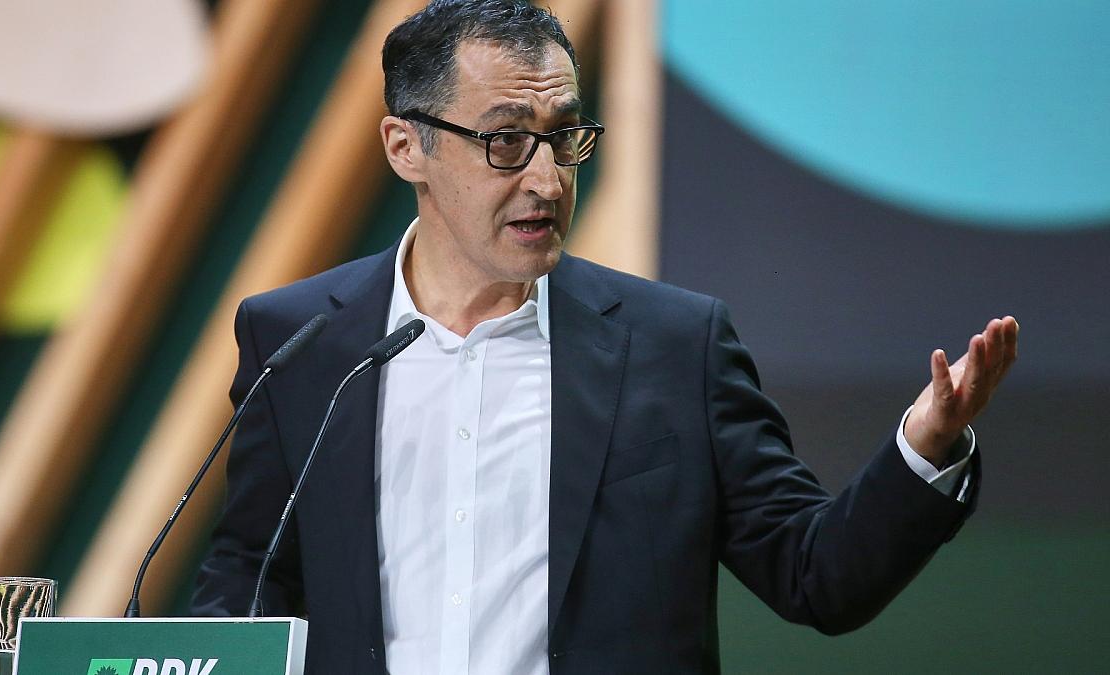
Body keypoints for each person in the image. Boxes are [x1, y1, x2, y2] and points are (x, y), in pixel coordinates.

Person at [191, 1, 1019, 673]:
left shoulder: (676, 346)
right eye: (506, 141)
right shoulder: (300, 340)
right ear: (407, 147)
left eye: (565, 137)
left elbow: (817, 576)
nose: (547, 180)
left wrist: (925, 446)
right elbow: (249, 580)